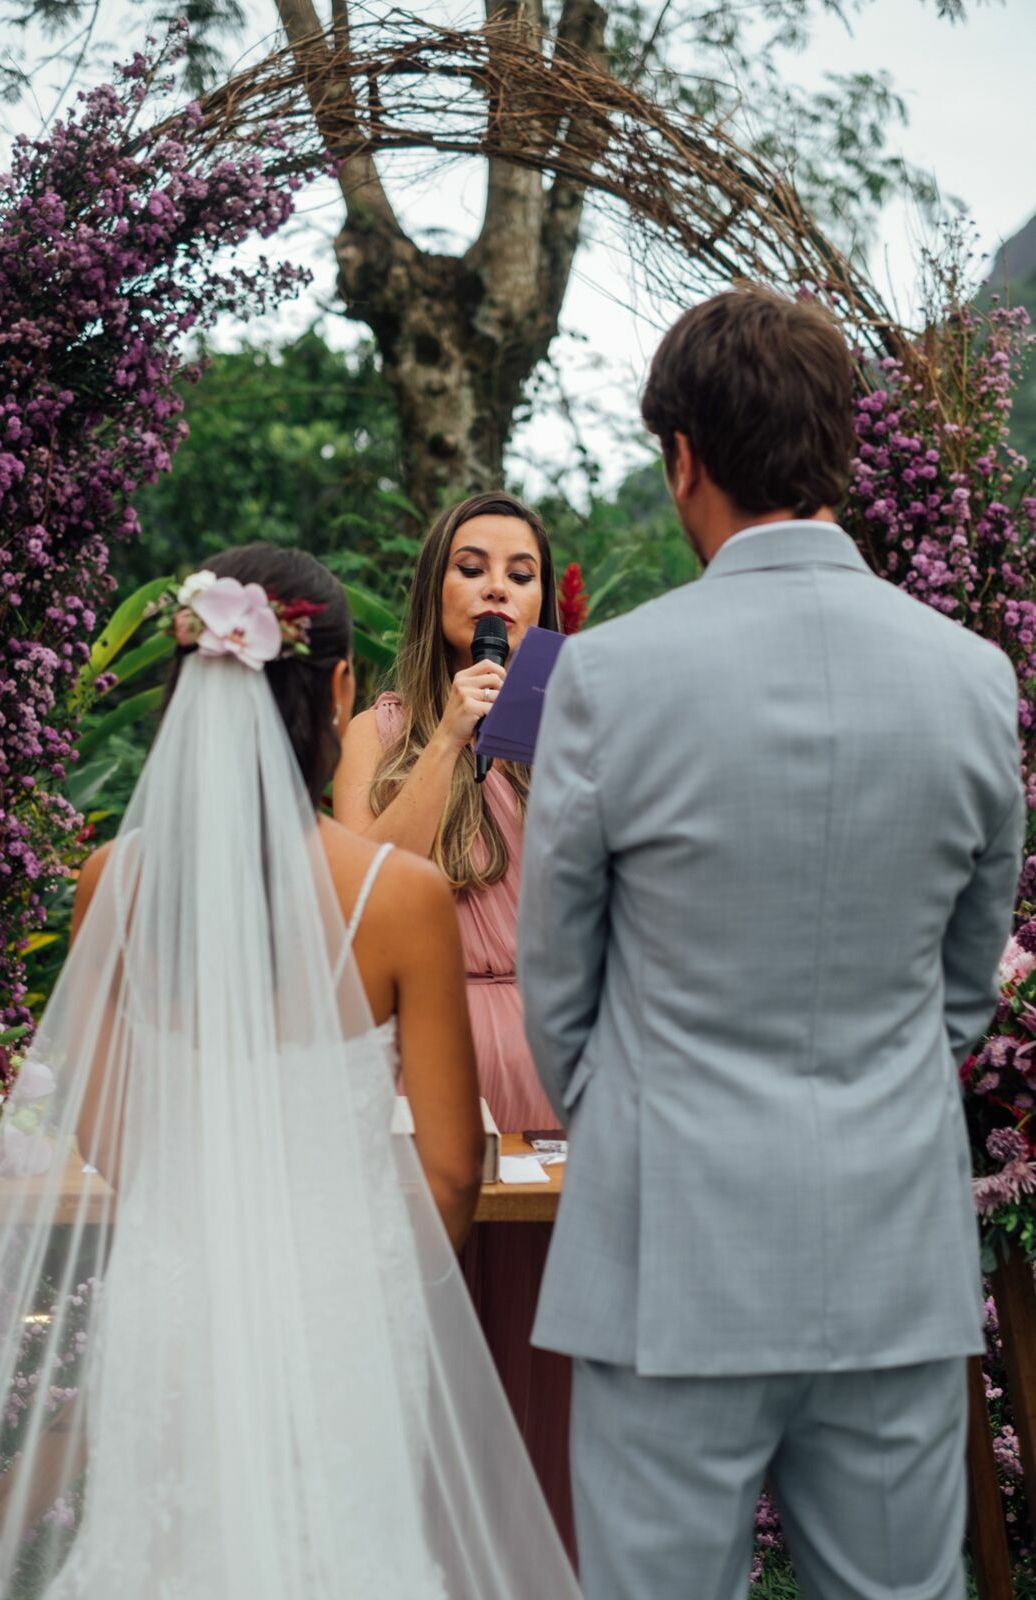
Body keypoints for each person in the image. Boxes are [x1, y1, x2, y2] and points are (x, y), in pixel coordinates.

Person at [518, 289, 1024, 1600]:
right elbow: (963, 989)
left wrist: (634, 1118)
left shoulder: (608, 676)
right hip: (890, 1245)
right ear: (838, 451)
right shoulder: (968, 674)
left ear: (680, 455)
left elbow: (557, 983)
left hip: (663, 1255)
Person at [0, 543, 582, 1600]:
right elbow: (448, 1167)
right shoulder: (398, 897)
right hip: (342, 1307)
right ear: (339, 686)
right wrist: (384, 1285)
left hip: (170, 1297)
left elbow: (103, 1126)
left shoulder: (114, 882)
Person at [334, 492, 577, 1559]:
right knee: (422, 1334)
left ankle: (549, 1558)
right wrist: (449, 737)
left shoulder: (578, 726)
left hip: (549, 1059)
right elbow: (358, 890)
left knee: (546, 1336)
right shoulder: (376, 731)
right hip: (421, 1059)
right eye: (472, 567)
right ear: (435, 586)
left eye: (519, 573)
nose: (495, 588)